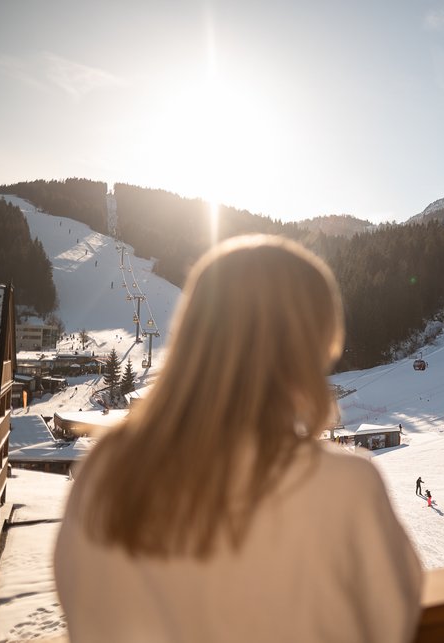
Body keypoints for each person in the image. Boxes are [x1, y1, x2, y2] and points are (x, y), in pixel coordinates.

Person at [54, 235, 422, 643]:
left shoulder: (110, 470)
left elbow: (82, 612)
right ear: (304, 350)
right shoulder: (345, 484)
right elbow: (394, 616)